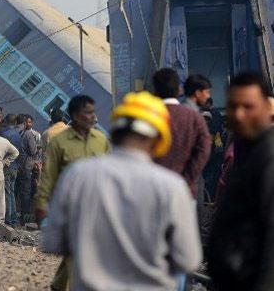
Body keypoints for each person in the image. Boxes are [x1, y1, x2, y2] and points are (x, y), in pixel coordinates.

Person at [44, 91, 202, 290]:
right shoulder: (172, 187)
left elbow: (52, 241)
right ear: (158, 139)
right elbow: (188, 259)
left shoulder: (77, 175)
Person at [35, 94, 110, 291]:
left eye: (94, 112)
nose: (93, 117)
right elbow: (49, 175)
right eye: (88, 113)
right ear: (75, 115)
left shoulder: (101, 140)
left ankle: (59, 284)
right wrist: (42, 205)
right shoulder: (59, 142)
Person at [207, 72, 274, 290]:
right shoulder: (247, 150)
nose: (239, 115)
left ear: (265, 108)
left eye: (248, 107)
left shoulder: (268, 156)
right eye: (233, 107)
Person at [152, 68, 211, 198]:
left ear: (155, 91)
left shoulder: (148, 117)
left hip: (154, 192)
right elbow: (204, 150)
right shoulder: (194, 117)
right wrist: (186, 179)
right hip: (185, 193)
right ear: (179, 90)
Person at [0, 114, 22, 226]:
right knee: (11, 192)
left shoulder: (4, 134)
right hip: (15, 167)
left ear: (6, 121)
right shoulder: (18, 134)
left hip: (7, 167)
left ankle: (9, 219)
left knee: (7, 193)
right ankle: (13, 217)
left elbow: (2, 151)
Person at [18, 115, 39, 223]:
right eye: (26, 122)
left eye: (30, 122)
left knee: (23, 191)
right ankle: (25, 217)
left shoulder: (21, 133)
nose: (28, 124)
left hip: (22, 165)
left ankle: (23, 215)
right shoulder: (29, 135)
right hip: (28, 165)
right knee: (27, 191)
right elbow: (33, 151)